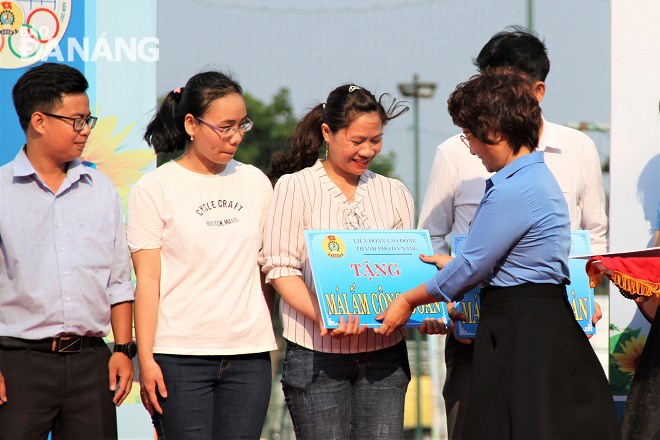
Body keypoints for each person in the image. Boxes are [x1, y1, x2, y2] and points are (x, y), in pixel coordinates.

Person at [376, 70, 621, 439]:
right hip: (536, 323)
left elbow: (473, 267)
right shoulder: (536, 178)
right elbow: (492, 260)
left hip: (522, 331)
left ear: (494, 131)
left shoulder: (513, 189)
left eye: (470, 135)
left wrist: (408, 299)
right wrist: (455, 266)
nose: (470, 147)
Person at [263, 84, 433, 439]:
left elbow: (408, 269)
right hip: (316, 355)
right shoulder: (295, 187)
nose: (367, 150)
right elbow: (280, 269)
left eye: (376, 139)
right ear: (327, 132)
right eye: (357, 141)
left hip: (385, 358)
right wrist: (326, 314)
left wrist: (429, 312)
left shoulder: (395, 192)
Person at [129, 72, 277, 439]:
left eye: (242, 125)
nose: (236, 137)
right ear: (191, 124)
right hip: (177, 357)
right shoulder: (154, 187)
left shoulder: (256, 181)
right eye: (225, 127)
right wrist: (145, 359)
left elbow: (268, 268)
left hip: (249, 357)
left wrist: (260, 326)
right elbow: (147, 281)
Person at [0, 62, 135, 439]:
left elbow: (119, 280)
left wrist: (123, 349)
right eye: (77, 120)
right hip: (17, 363)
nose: (86, 129)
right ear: (39, 121)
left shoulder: (102, 189)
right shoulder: (2, 192)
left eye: (88, 119)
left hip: (92, 364)